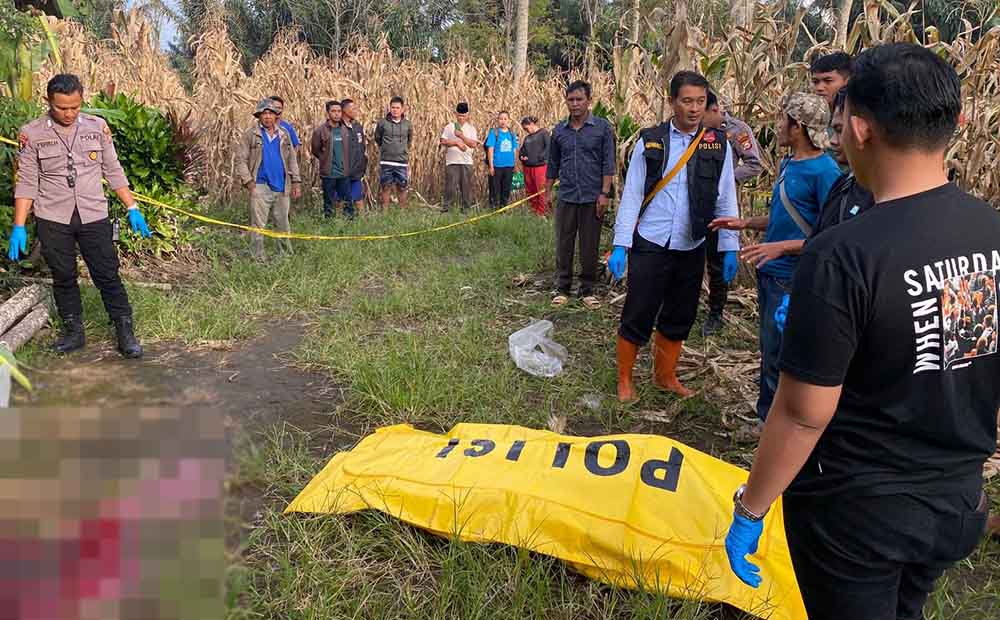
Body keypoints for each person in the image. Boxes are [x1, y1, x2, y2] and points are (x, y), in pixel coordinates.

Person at [723, 43, 999, 619]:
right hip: (956, 502)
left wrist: (751, 509)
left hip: (858, 515)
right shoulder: (991, 231)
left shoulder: (843, 254)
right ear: (959, 122)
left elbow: (802, 413)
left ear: (858, 128)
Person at [607, 71, 740, 402]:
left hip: (691, 244)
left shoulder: (716, 144)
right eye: (686, 101)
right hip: (652, 243)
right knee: (639, 311)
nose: (694, 109)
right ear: (672, 102)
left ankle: (665, 376)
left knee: (680, 314)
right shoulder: (651, 141)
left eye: (700, 102)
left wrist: (729, 248)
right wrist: (621, 245)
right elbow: (633, 196)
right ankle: (625, 379)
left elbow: (726, 197)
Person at [711, 93, 840, 422]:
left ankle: (773, 420)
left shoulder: (824, 172)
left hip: (792, 275)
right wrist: (747, 223)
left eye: (782, 120)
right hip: (771, 270)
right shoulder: (789, 163)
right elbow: (787, 218)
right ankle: (767, 412)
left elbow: (831, 235)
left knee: (781, 350)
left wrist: (782, 247)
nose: (778, 126)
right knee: (769, 348)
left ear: (797, 127)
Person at [10, 73, 151, 358]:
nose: (69, 113)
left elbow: (113, 170)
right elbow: (26, 181)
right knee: (63, 276)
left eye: (75, 106)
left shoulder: (97, 127)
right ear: (47, 101)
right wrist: (19, 226)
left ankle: (124, 330)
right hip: (53, 217)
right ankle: (74, 332)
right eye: (62, 108)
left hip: (93, 214)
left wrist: (132, 207)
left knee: (107, 274)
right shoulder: (32, 133)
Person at [546, 81, 615, 309]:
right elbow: (553, 164)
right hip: (566, 195)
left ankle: (587, 289)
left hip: (592, 197)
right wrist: (547, 193)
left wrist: (604, 193)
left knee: (589, 244)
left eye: (579, 99)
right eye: (571, 100)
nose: (575, 104)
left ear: (589, 101)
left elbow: (608, 164)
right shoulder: (559, 131)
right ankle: (562, 287)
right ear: (566, 101)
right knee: (564, 242)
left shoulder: (602, 128)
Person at [700, 90, 764, 337]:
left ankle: (715, 313)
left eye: (703, 113)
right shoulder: (696, 130)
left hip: (722, 206)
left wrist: (724, 180)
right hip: (695, 205)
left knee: (717, 260)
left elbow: (754, 164)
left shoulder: (737, 130)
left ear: (714, 110)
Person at [236, 98, 301, 260]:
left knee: (283, 224)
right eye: (264, 114)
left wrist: (296, 182)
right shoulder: (251, 135)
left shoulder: (284, 135)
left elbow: (292, 159)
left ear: (276, 116)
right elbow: (241, 160)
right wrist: (249, 182)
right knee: (259, 226)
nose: (267, 117)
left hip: (281, 185)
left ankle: (285, 256)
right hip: (260, 185)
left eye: (270, 113)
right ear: (259, 116)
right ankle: (257, 258)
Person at [809, 87, 875, 238]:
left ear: (861, 130)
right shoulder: (843, 184)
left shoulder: (826, 171)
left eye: (839, 130)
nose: (832, 141)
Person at [310, 100, 362, 220]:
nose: (337, 114)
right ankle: (330, 225)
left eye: (339, 111)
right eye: (333, 111)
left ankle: (349, 225)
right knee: (329, 202)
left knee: (347, 202)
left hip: (343, 173)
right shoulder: (320, 131)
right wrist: (325, 160)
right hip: (328, 174)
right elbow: (316, 150)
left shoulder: (345, 130)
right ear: (328, 113)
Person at [374, 96, 413, 209]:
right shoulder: (382, 123)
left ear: (402, 109)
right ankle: (385, 212)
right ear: (389, 108)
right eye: (393, 107)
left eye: (397, 108)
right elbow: (378, 138)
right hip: (386, 161)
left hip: (401, 162)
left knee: (402, 187)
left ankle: (402, 212)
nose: (395, 110)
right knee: (385, 186)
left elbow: (409, 140)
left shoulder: (407, 124)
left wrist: (402, 150)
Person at [440, 102, 479, 212]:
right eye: (459, 115)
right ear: (456, 114)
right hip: (452, 161)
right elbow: (443, 141)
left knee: (466, 187)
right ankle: (446, 208)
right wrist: (456, 142)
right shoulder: (449, 127)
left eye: (464, 115)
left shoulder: (471, 129)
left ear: (467, 115)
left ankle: (466, 209)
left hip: (466, 161)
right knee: (450, 187)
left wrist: (461, 136)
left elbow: (474, 144)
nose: (461, 118)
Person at [485, 111, 518, 210]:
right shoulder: (494, 133)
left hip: (509, 166)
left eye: (505, 119)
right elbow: (490, 150)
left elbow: (515, 149)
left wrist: (515, 164)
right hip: (497, 165)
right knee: (495, 189)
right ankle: (494, 208)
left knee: (506, 188)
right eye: (501, 119)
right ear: (498, 120)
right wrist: (491, 166)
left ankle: (504, 208)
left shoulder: (512, 133)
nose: (503, 121)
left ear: (508, 120)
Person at [519, 116, 550, 216]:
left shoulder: (544, 133)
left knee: (540, 191)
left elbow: (549, 147)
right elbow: (522, 150)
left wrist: (540, 158)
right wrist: (521, 157)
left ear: (532, 124)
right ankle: (534, 212)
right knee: (530, 191)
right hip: (527, 168)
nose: (525, 130)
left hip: (540, 167)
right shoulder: (527, 138)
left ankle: (542, 213)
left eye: (526, 128)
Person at [340, 98, 367, 207]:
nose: (356, 110)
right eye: (353, 108)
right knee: (339, 201)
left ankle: (362, 223)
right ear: (344, 110)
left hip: (356, 172)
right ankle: (336, 223)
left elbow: (362, 148)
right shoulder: (337, 128)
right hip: (342, 173)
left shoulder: (357, 127)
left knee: (359, 200)